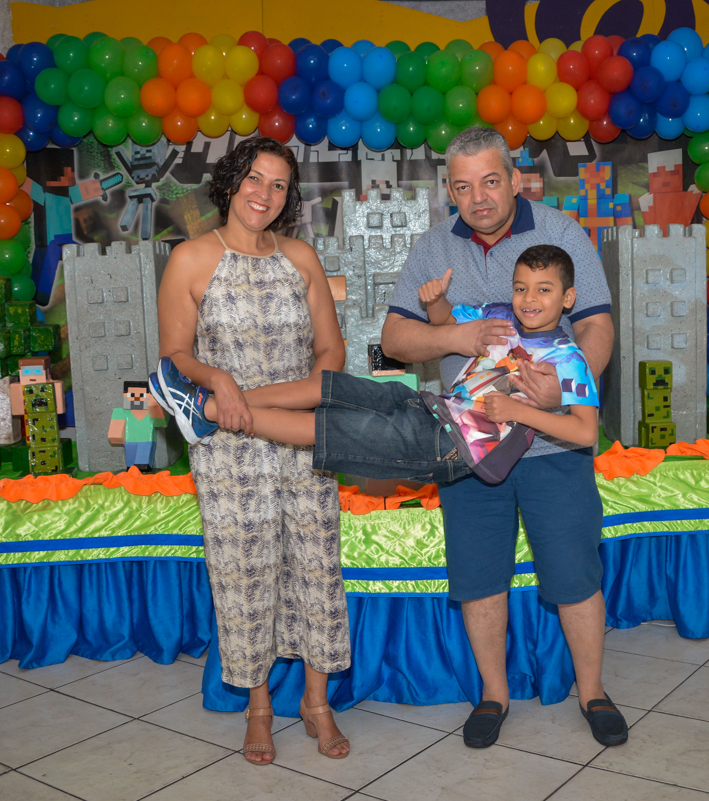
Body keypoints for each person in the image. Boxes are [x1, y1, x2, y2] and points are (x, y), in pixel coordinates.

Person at [381, 126, 627, 749]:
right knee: (478, 574)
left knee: (574, 571)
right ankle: (493, 695)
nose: (479, 198)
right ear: (449, 191)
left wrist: (565, 391)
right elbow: (394, 340)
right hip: (468, 445)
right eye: (463, 187)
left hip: (554, 445)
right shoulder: (433, 247)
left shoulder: (562, 233)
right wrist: (455, 337)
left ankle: (593, 692)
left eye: (491, 181)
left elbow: (597, 326)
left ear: (516, 179)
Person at [155, 136, 350, 765]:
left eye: (279, 184)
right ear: (232, 181)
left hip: (302, 437)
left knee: (316, 568)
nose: (265, 193)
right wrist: (217, 378)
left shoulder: (301, 258)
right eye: (255, 179)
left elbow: (332, 352)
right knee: (244, 574)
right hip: (229, 448)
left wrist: (272, 399)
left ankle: (317, 704)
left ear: (289, 197)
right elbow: (175, 356)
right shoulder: (190, 258)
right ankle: (258, 708)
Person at [152, 245, 599, 487]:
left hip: (454, 447)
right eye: (522, 288)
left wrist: (519, 412)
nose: (529, 299)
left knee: (328, 427)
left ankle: (206, 412)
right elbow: (445, 322)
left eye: (543, 290)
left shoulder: (569, 359)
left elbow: (584, 432)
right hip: (432, 408)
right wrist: (436, 302)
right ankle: (210, 399)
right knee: (330, 387)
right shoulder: (500, 315)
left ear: (568, 298)